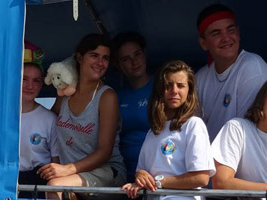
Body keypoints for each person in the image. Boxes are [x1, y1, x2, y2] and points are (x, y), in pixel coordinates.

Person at [40, 34, 126, 199]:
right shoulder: (65, 92)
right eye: (94, 55)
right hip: (69, 176)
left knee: (54, 186)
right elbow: (46, 125)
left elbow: (105, 152)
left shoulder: (107, 96)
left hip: (106, 172)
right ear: (80, 57)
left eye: (105, 58)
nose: (100, 63)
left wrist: (67, 169)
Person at [121, 60, 215, 200]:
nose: (174, 91)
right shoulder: (153, 131)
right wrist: (140, 177)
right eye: (168, 85)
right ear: (160, 89)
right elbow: (143, 170)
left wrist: (158, 183)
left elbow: (200, 178)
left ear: (189, 90)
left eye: (181, 85)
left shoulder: (194, 125)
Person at [193, 4, 267, 140]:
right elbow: (191, 129)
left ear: (238, 33)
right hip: (210, 158)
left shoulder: (252, 67)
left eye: (230, 30)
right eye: (216, 33)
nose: (226, 38)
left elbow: (250, 134)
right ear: (203, 43)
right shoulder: (200, 77)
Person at [112, 32, 153, 183]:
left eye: (137, 54)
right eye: (125, 59)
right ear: (118, 65)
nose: (134, 62)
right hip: (123, 174)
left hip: (155, 173)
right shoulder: (115, 97)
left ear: (145, 54)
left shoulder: (163, 89)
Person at [18, 62, 59, 196]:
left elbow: (56, 164)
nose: (30, 86)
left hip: (39, 186)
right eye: (24, 79)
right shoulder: (1, 118)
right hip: (8, 184)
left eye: (36, 81)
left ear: (42, 85)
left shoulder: (50, 119)